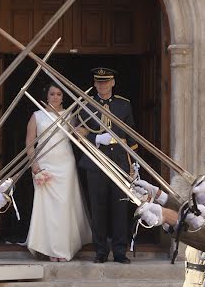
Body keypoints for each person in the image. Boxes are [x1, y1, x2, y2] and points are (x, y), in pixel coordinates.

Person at [26, 81, 92, 262]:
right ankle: (49, 250)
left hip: (65, 163)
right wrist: (35, 166)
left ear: (63, 97)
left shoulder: (69, 114)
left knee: (64, 206)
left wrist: (84, 131)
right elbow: (30, 144)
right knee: (47, 209)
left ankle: (64, 249)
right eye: (52, 94)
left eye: (59, 94)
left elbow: (79, 132)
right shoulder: (37, 116)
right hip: (45, 164)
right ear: (46, 96)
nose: (55, 97)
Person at [77, 67, 138, 264]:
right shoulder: (86, 104)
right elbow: (79, 134)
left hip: (119, 162)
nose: (102, 85)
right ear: (94, 84)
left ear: (113, 83)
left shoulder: (123, 105)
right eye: (99, 82)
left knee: (120, 209)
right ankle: (100, 251)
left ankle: (120, 251)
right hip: (96, 162)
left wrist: (133, 165)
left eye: (106, 82)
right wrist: (96, 138)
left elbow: (131, 138)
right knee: (98, 208)